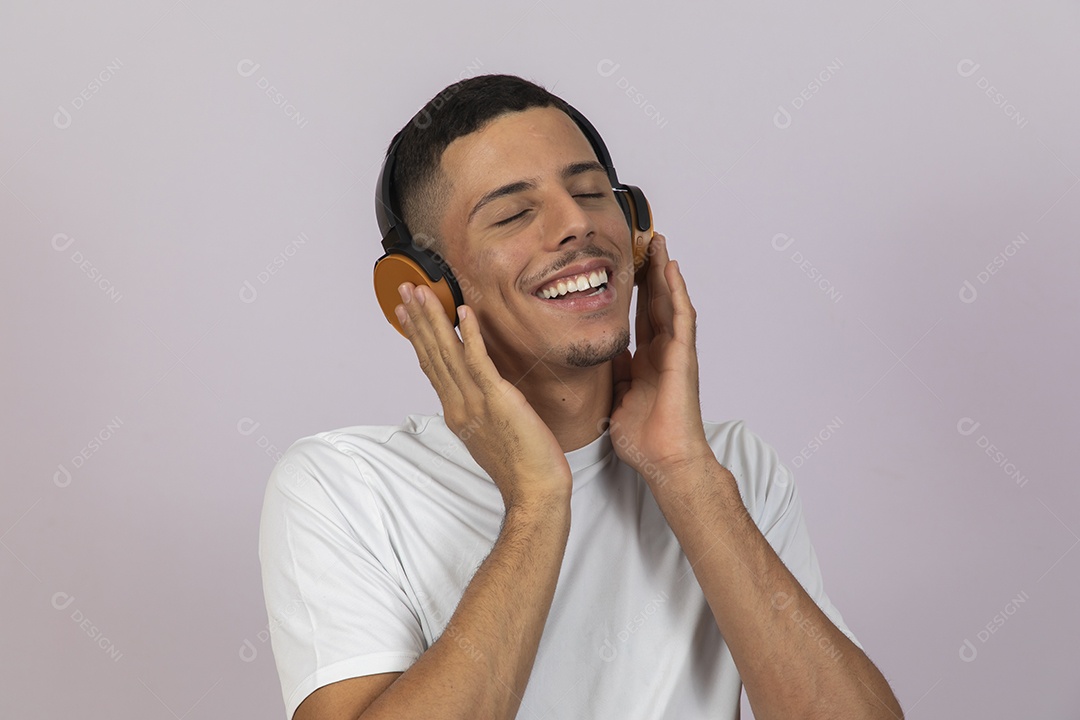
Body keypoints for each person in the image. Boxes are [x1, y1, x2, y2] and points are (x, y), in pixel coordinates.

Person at [258, 73, 904, 720]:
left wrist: (685, 474)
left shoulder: (730, 466)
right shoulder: (343, 486)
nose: (577, 225)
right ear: (427, 287)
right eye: (513, 214)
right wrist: (538, 504)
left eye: (593, 193)